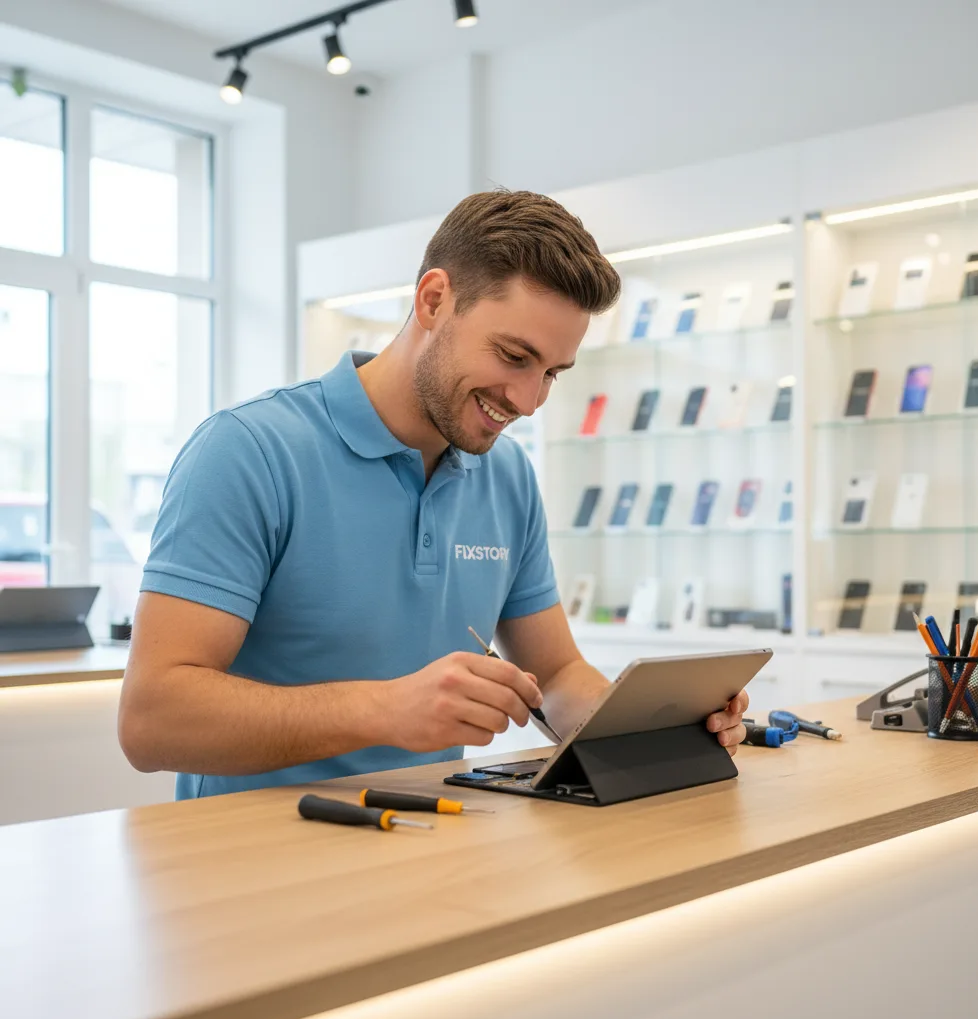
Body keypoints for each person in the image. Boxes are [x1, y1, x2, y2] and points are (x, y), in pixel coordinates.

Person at [118, 189, 749, 798]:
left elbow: (555, 676)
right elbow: (152, 722)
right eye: (513, 356)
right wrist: (386, 709)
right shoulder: (248, 451)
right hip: (247, 872)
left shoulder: (508, 478)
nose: (527, 402)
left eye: (551, 373)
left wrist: (650, 728)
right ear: (434, 299)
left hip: (427, 838)